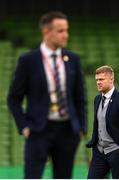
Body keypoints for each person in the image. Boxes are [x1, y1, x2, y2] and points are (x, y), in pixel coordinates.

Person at [7, 11, 87, 179]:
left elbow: (80, 98)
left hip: (67, 131)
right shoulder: (28, 60)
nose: (66, 35)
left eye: (67, 30)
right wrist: (24, 127)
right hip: (38, 130)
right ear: (46, 32)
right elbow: (14, 98)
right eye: (60, 31)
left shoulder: (73, 59)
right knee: (33, 177)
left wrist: (81, 128)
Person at [86, 65, 119, 179]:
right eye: (97, 80)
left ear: (111, 79)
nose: (98, 82)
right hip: (99, 152)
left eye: (101, 79)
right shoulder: (97, 99)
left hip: (117, 152)